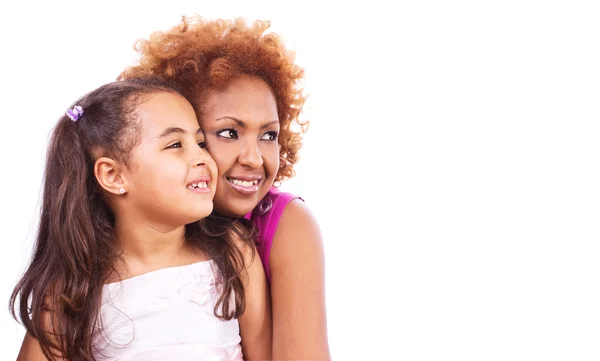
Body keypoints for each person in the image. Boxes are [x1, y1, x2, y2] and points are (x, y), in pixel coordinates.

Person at [10, 80, 270, 361]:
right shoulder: (73, 290)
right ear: (113, 175)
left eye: (199, 143)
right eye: (175, 145)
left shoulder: (234, 254)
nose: (202, 158)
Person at [119, 16, 331, 361]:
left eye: (269, 135)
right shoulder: (138, 221)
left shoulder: (286, 224)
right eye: (229, 133)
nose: (253, 158)